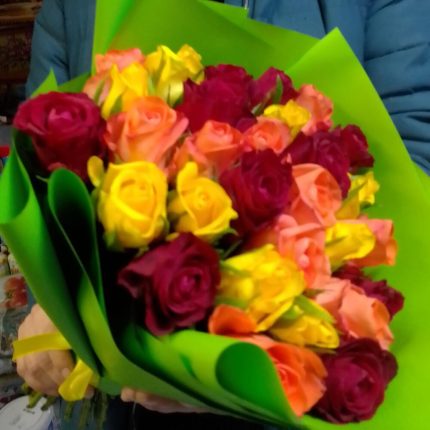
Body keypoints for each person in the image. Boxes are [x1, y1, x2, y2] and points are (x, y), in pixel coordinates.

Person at [17, 0, 430, 428]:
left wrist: (219, 360)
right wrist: (56, 303)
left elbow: (411, 162)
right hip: (113, 398)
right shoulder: (72, 6)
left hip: (296, 379)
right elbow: (39, 167)